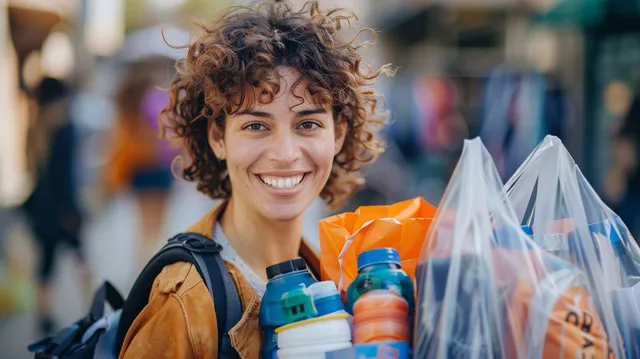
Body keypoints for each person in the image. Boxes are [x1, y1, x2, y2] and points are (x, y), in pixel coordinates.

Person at [118, 1, 391, 358]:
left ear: (337, 134)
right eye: (256, 126)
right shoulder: (184, 303)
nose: (285, 153)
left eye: (307, 124)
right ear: (218, 137)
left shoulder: (333, 279)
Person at [22, 77, 91, 334]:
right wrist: (73, 209)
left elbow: (35, 173)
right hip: (64, 209)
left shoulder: (34, 127)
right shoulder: (66, 127)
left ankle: (44, 314)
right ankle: (92, 308)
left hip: (41, 209)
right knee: (82, 258)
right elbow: (66, 178)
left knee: (46, 263)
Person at [105, 57, 178, 267]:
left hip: (137, 166)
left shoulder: (128, 100)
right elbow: (169, 134)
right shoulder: (158, 99)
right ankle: (153, 263)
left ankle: (142, 262)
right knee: (158, 223)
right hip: (159, 166)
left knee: (143, 223)